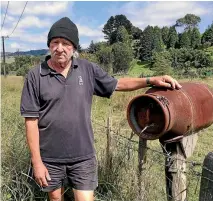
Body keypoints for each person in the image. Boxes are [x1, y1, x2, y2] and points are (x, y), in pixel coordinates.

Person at [20, 17, 182, 201]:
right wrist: (37, 162)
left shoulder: (87, 69)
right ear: (49, 45)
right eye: (55, 42)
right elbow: (31, 121)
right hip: (50, 156)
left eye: (66, 43)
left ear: (74, 47)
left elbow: (117, 84)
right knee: (56, 198)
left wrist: (150, 80)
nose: (60, 48)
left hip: (83, 156)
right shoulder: (35, 75)